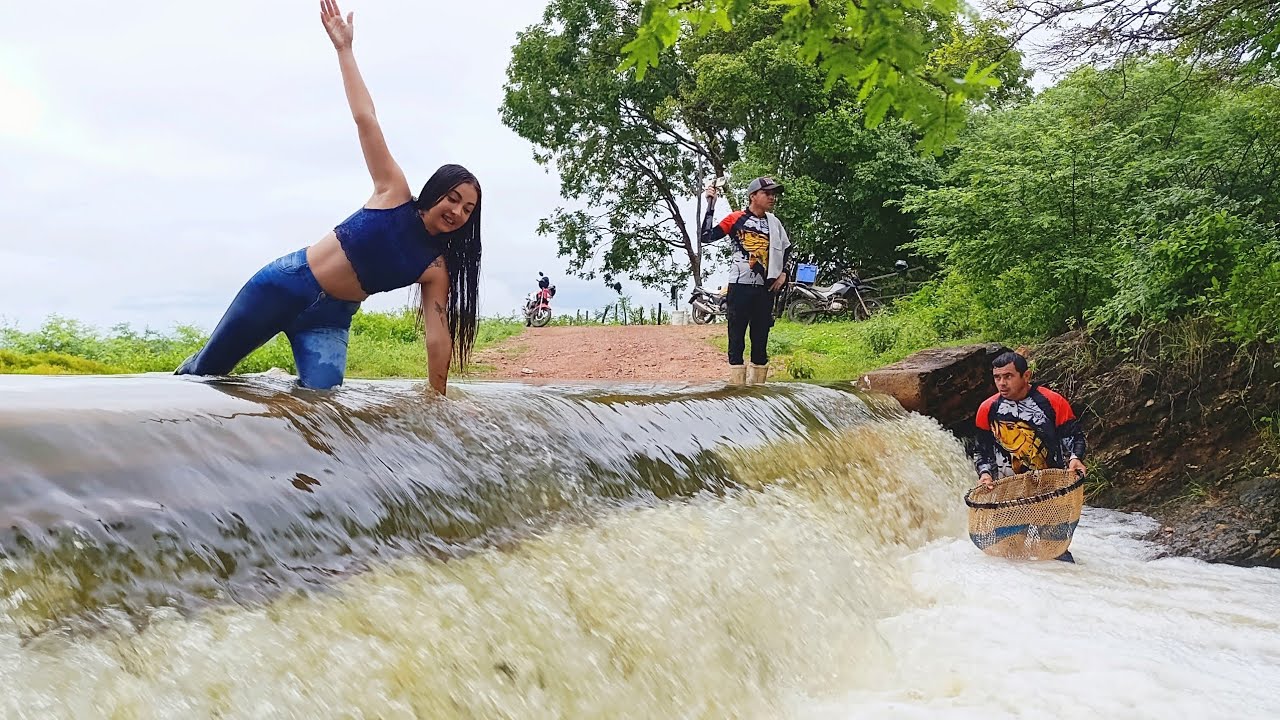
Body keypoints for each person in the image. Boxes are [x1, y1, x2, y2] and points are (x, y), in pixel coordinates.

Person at [175, 0, 481, 395]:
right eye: (453, 198)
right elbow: (366, 119)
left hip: (330, 321)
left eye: (468, 209)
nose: (457, 211)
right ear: (436, 192)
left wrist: (439, 399)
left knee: (320, 402)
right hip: (284, 285)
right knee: (205, 373)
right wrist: (344, 50)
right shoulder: (394, 191)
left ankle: (276, 384)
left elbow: (437, 336)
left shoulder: (435, 267)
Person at [700, 176, 792, 385]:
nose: (772, 197)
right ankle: (737, 390)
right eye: (767, 193)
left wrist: (784, 273)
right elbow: (706, 236)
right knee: (736, 338)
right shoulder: (735, 218)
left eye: (773, 194)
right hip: (739, 287)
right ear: (753, 196)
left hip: (765, 288)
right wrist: (710, 205)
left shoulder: (774, 223)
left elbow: (787, 249)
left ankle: (758, 391)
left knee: (760, 341)